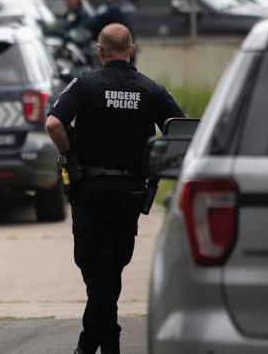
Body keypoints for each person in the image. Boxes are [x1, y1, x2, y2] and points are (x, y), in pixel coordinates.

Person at [45, 23, 184, 354]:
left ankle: (109, 344)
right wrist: (160, 165)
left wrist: (69, 153)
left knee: (97, 269)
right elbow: (180, 131)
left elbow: (53, 124)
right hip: (131, 192)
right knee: (110, 269)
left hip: (91, 189)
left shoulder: (85, 85)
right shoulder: (151, 90)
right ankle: (86, 344)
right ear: (131, 50)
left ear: (100, 52)